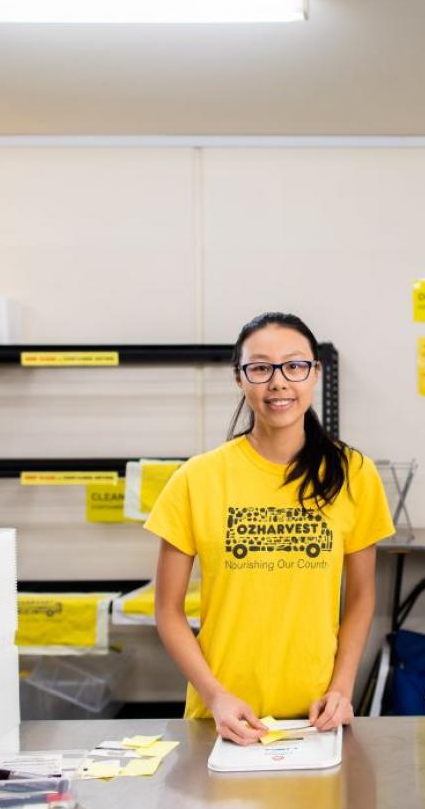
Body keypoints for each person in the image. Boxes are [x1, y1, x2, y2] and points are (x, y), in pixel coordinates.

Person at [145, 312, 395, 745]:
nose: (278, 382)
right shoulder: (196, 479)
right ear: (239, 379)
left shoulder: (354, 473)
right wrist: (216, 695)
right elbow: (167, 610)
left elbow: (360, 597)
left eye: (294, 366)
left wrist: (340, 688)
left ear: (315, 373)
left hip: (315, 717)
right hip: (222, 717)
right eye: (260, 368)